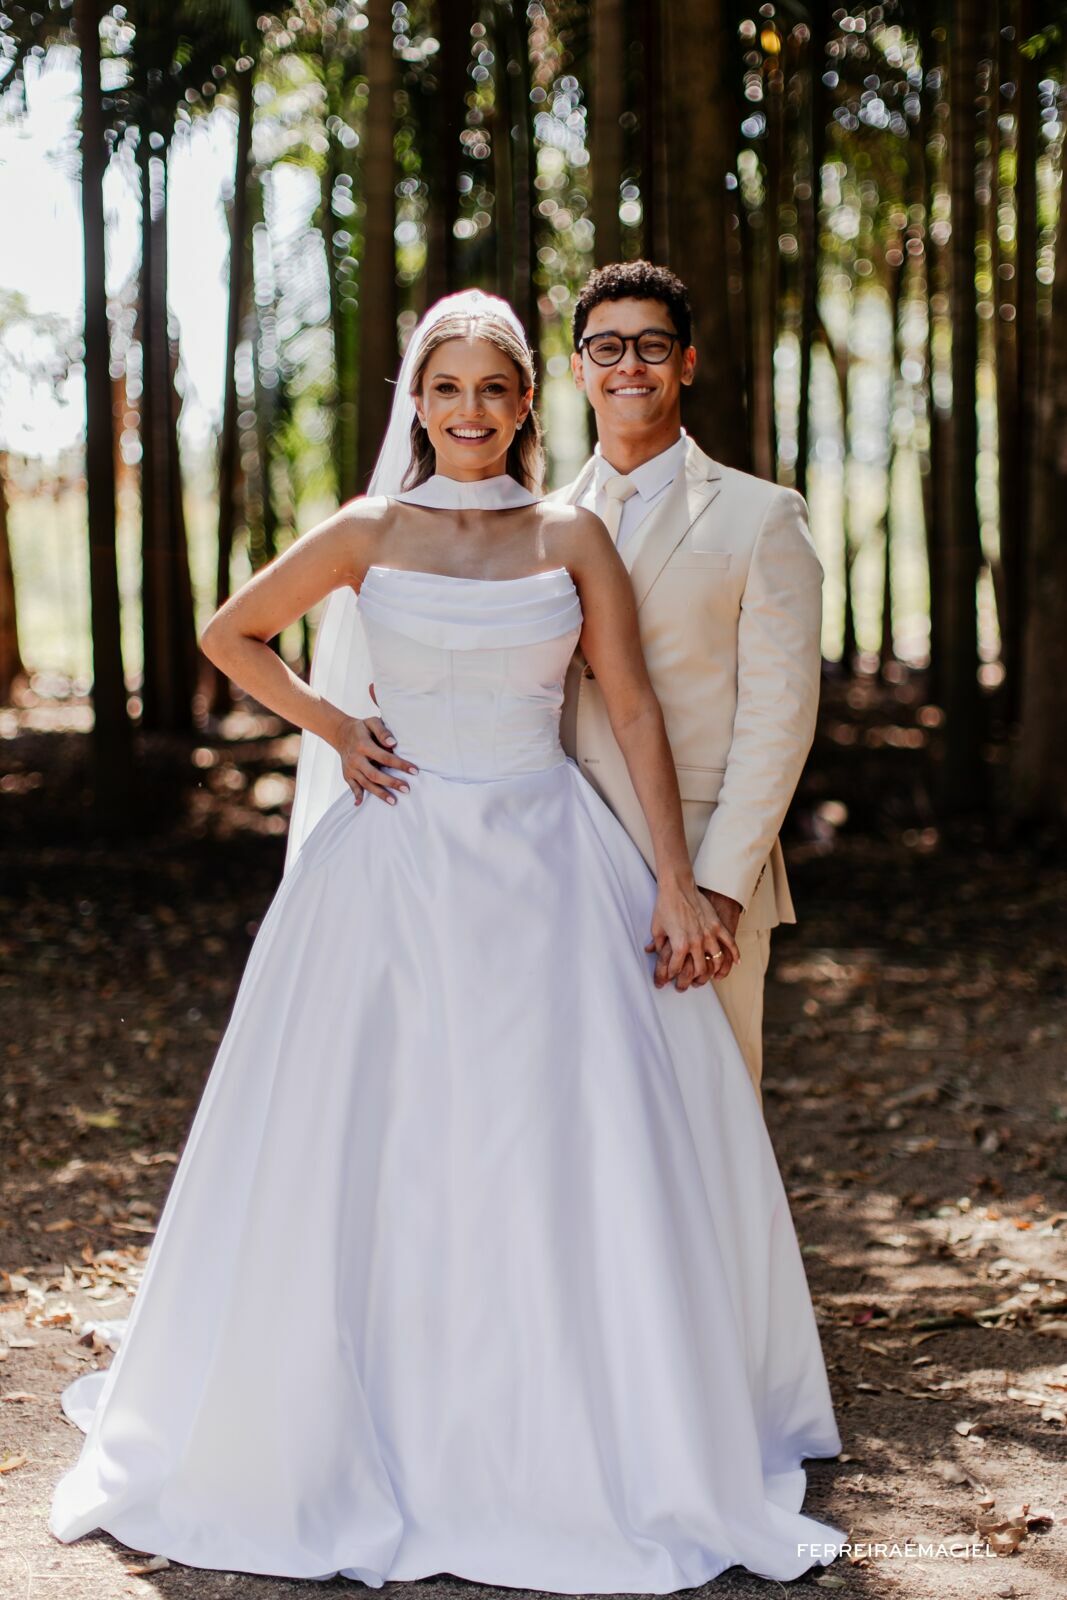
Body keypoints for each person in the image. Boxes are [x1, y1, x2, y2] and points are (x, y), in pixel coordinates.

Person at [48, 290, 844, 1591]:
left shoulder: (568, 532)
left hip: (545, 855)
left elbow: (635, 716)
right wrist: (332, 723)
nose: (468, 411)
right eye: (445, 388)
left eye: (493, 388)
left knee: (549, 1132)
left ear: (528, 403)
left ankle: (567, 1409)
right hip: (396, 865)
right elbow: (227, 634)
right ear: (413, 402)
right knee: (374, 1128)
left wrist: (668, 879)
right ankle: (364, 1401)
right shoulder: (368, 528)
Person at [549, 261, 824, 1105]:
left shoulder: (760, 515)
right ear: (578, 368)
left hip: (705, 868)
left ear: (687, 362)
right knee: (582, 1124)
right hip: (560, 864)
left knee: (710, 1118)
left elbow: (780, 719)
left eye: (651, 345)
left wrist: (719, 887)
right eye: (607, 346)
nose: (628, 364)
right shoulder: (537, 522)